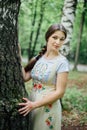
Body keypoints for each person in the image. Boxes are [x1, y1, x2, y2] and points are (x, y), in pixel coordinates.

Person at [18, 23, 69, 130]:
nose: (57, 42)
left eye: (61, 39)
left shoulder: (62, 62)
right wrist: (18, 55)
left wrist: (35, 105)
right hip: (32, 102)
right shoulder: (39, 57)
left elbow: (60, 92)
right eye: (54, 37)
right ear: (47, 37)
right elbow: (25, 77)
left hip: (47, 107)